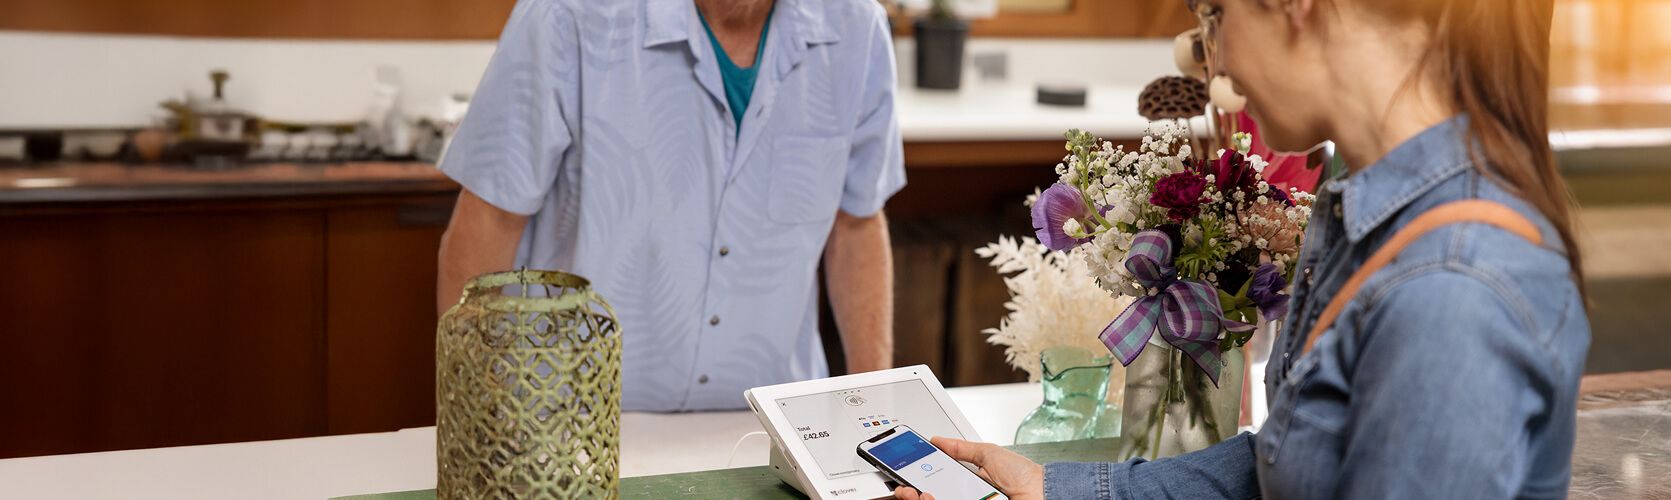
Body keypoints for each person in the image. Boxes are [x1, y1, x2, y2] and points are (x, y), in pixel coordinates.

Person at [898, 0, 1589, 498]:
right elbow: (1290, 464)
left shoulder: (1449, 290)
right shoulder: (1366, 213)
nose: (1214, 57)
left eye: (1213, 14)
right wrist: (1059, 491)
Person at [435, 0, 904, 412]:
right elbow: (488, 224)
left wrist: (875, 415)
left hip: (769, 425)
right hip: (568, 422)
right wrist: (478, 421)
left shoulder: (856, 27)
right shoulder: (566, 16)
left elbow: (857, 224)